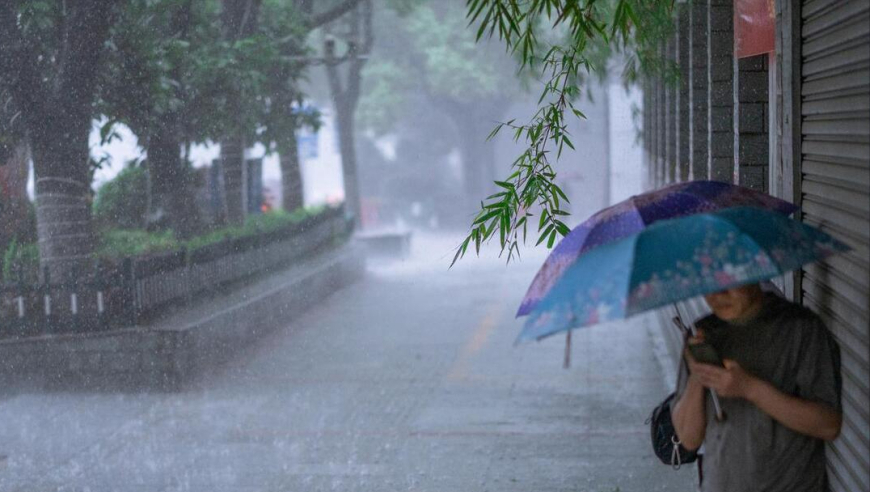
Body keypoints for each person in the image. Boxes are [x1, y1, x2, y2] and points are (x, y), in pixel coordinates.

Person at [672, 283, 842, 492]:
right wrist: (698, 376)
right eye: (709, 284)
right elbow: (688, 439)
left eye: (729, 283)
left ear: (754, 275)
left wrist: (749, 388)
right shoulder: (702, 335)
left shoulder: (801, 328)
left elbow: (828, 425)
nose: (718, 295)